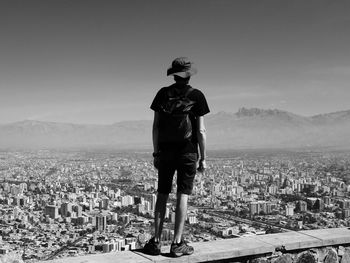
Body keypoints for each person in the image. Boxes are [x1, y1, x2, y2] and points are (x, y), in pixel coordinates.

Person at [143, 57, 210, 257]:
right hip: (187, 152)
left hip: (164, 151)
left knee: (162, 194)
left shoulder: (162, 94)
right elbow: (201, 130)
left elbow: (155, 127)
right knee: (183, 195)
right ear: (189, 75)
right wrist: (203, 158)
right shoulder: (197, 96)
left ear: (173, 74)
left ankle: (155, 242)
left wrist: (156, 152)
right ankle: (177, 243)